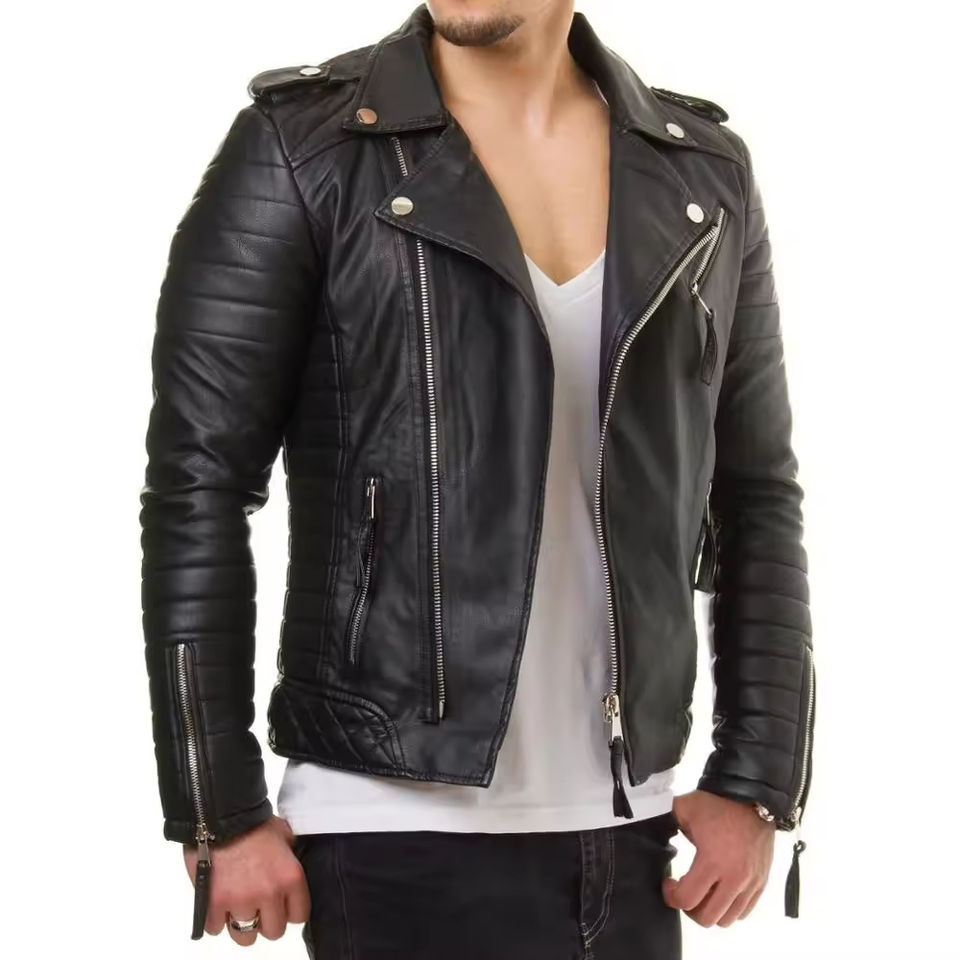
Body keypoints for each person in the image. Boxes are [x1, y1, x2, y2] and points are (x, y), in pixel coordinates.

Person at [139, 2, 815, 957]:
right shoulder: (303, 148)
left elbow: (756, 493)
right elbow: (197, 487)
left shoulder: (700, 170)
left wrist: (758, 778)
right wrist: (219, 809)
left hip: (629, 832)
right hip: (387, 826)